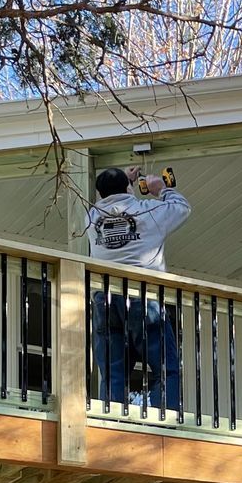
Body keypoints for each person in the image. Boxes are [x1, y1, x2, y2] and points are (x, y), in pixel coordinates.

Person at [86, 164, 192, 415]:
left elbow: (111, 200)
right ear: (127, 188)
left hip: (105, 298)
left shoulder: (91, 217)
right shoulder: (149, 210)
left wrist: (124, 182)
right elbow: (182, 208)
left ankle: (111, 418)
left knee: (112, 371)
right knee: (164, 368)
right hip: (143, 297)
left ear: (100, 194)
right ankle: (165, 418)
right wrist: (161, 189)